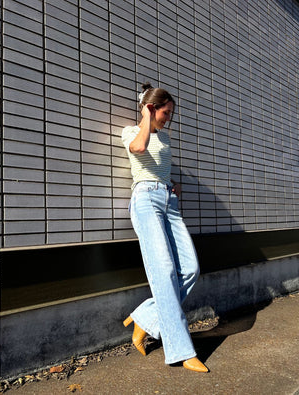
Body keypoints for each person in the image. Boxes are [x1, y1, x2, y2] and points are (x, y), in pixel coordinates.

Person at [121, 82, 208, 373]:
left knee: (191, 268)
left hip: (168, 201)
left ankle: (144, 317)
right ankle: (181, 351)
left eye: (169, 113)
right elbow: (139, 148)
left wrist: (172, 184)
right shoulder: (132, 132)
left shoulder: (166, 138)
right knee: (165, 270)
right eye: (164, 112)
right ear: (150, 108)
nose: (168, 117)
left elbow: (158, 166)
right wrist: (145, 117)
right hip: (144, 200)